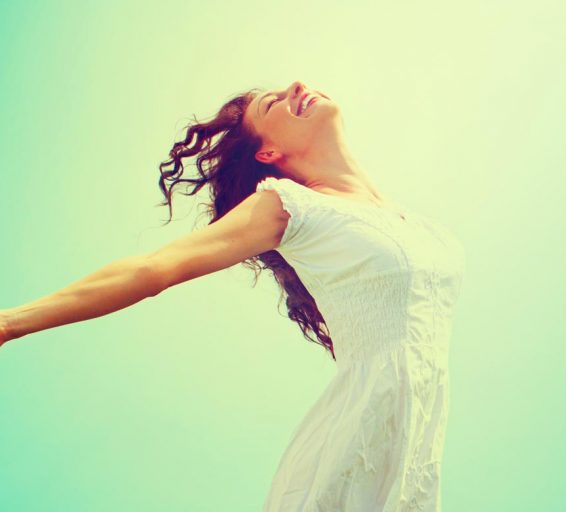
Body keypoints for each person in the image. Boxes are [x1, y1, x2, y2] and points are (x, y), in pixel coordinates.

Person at [0, 80, 466, 511]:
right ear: (269, 152)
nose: (297, 87)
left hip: (413, 466)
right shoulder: (289, 206)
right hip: (346, 456)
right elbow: (153, 269)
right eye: (273, 102)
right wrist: (11, 321)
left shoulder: (425, 228)